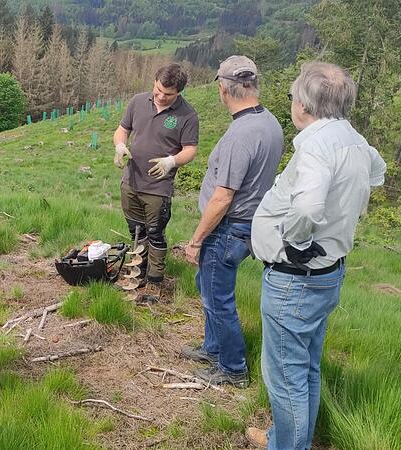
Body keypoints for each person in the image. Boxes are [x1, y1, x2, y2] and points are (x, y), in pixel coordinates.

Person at [245, 62, 386, 449]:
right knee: (304, 368)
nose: (292, 103)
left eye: (293, 96)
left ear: (304, 105)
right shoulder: (353, 140)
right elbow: (378, 171)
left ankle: (286, 446)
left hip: (296, 280)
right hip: (326, 276)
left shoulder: (316, 146)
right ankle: (289, 440)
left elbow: (307, 208)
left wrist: (297, 243)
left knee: (285, 378)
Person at [179, 56, 284, 388]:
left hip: (228, 228)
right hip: (245, 225)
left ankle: (232, 367)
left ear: (223, 88)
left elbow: (223, 196)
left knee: (217, 298)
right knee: (207, 286)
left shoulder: (243, 134)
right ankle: (213, 348)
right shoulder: (269, 122)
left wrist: (196, 240)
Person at [113, 63, 200, 303]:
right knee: (135, 230)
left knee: (155, 233)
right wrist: (120, 146)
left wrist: (172, 161)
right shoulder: (138, 101)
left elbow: (190, 149)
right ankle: (137, 274)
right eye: (158, 89)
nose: (161, 96)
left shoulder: (187, 115)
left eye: (168, 94)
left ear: (179, 92)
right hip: (131, 180)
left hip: (158, 187)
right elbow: (122, 130)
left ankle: (154, 282)